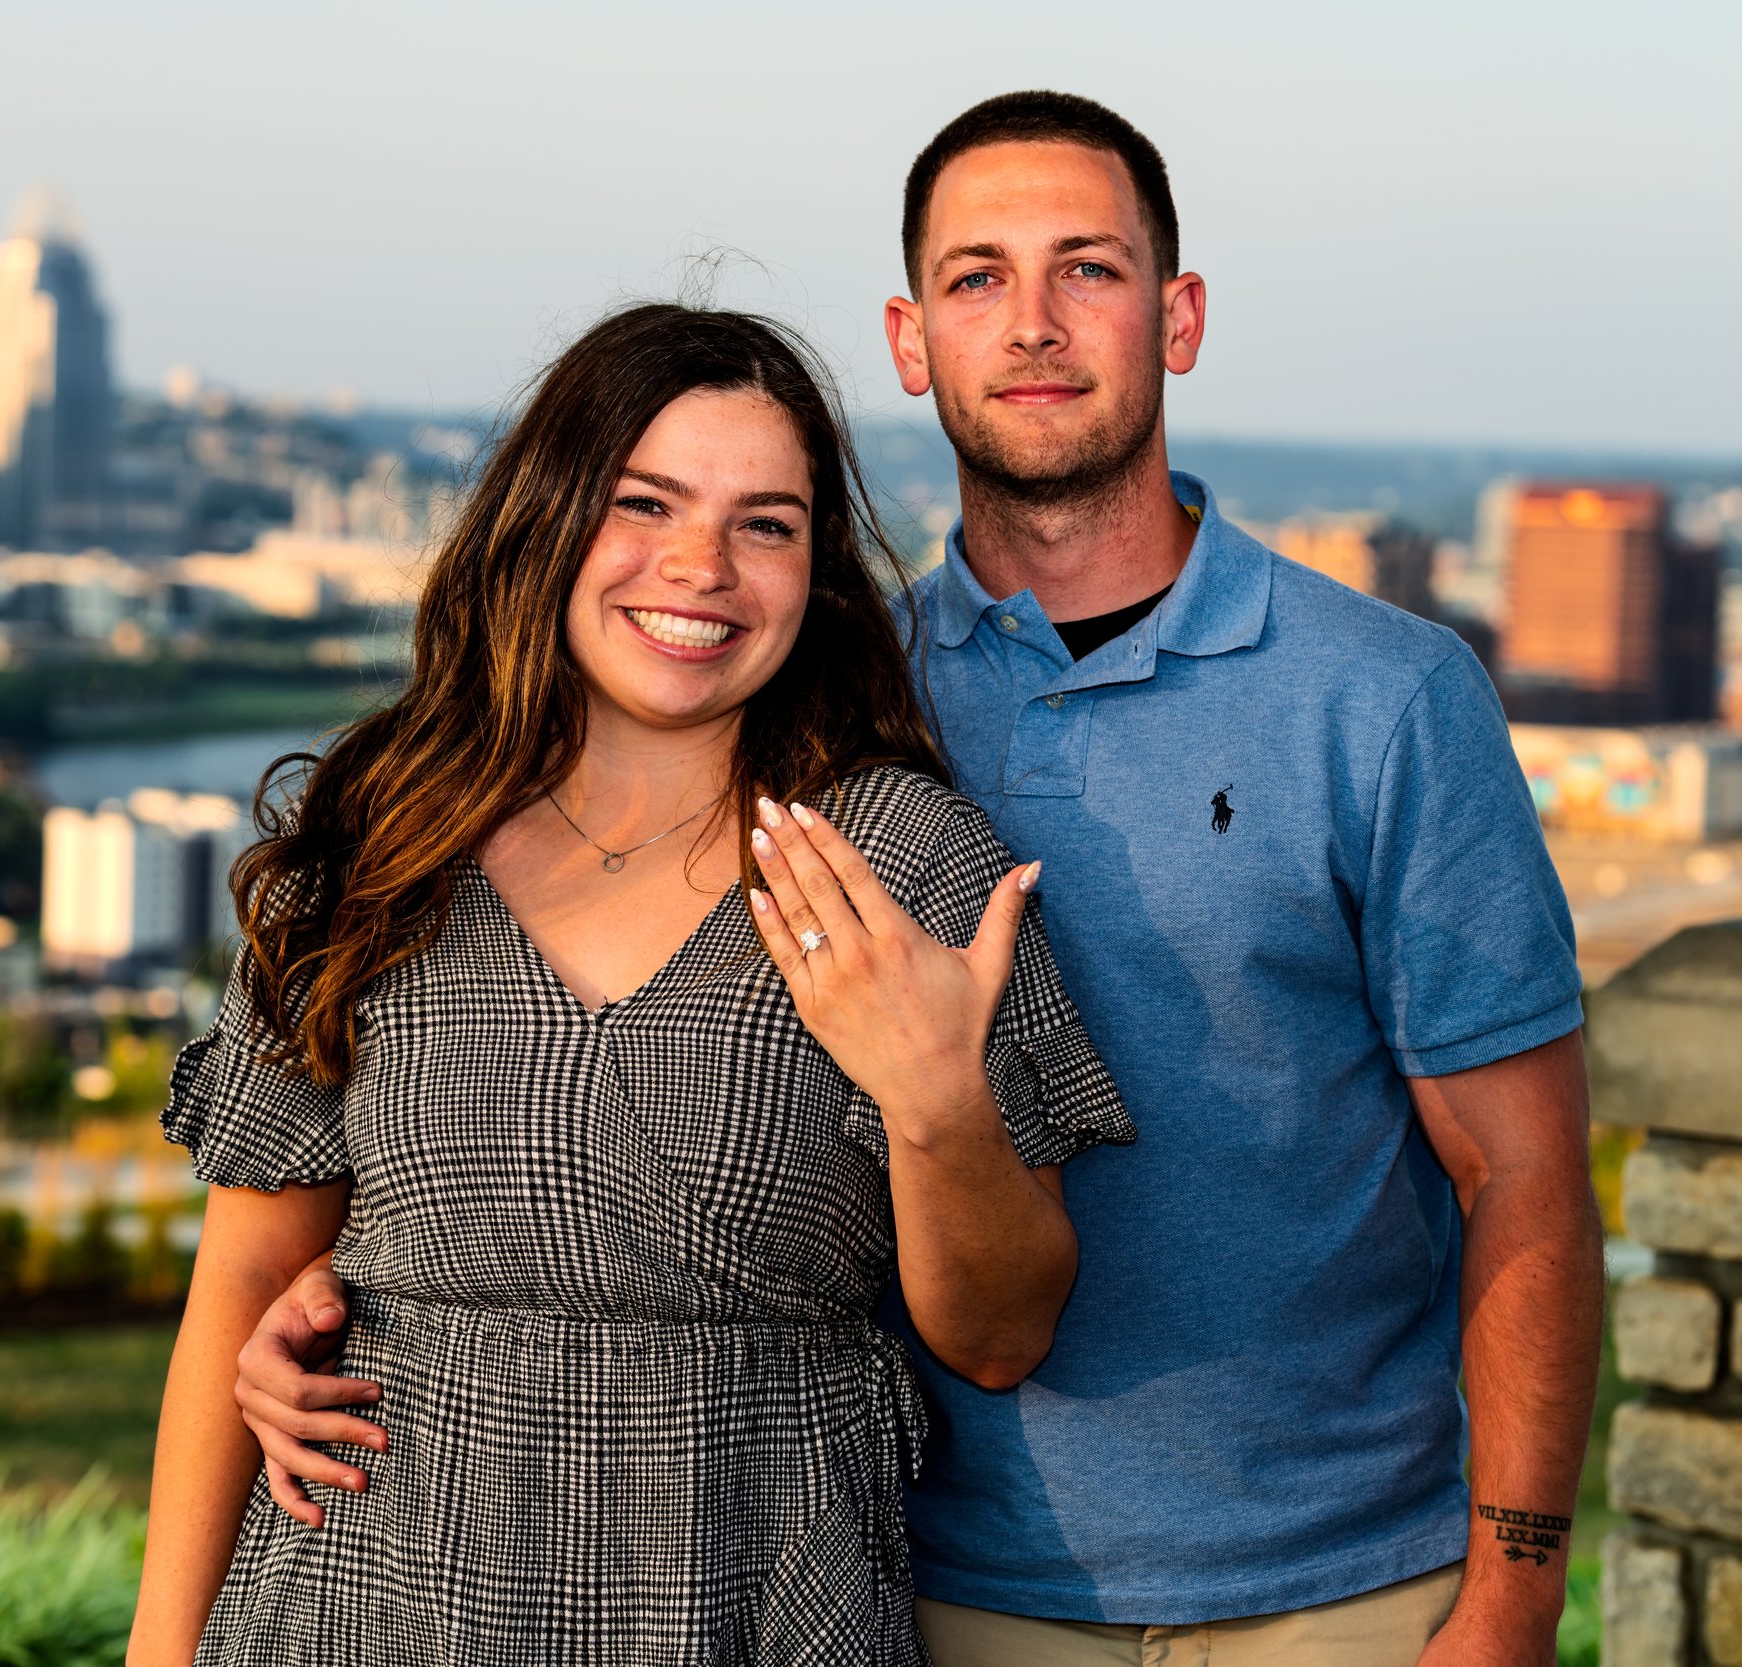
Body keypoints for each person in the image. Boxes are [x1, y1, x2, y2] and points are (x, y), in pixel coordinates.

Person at [240, 94, 1603, 1667]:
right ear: (908, 339)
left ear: (1180, 316)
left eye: (1086, 270)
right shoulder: (817, 701)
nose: (1030, 324)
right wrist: (353, 1304)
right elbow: (608, 1074)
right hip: (925, 1576)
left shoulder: (1384, 696)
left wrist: (1512, 1595)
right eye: (975, 279)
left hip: (1339, 1586)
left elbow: (1526, 1178)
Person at [127, 302, 1134, 1667]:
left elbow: (1006, 1337)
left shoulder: (895, 864)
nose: (700, 566)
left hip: (754, 1614)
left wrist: (937, 1096)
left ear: (817, 573)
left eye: (765, 524)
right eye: (643, 503)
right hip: (362, 1612)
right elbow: (243, 1289)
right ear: (545, 521)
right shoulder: (382, 840)